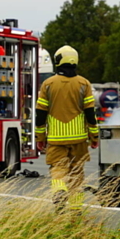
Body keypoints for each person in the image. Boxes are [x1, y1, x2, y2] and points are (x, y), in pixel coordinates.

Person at [35, 45, 99, 212]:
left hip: (56, 139)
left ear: (58, 60)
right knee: (77, 174)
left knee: (58, 168)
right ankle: (76, 210)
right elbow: (90, 113)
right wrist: (94, 136)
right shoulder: (84, 84)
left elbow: (40, 114)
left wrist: (40, 138)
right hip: (79, 139)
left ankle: (59, 192)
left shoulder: (48, 84)